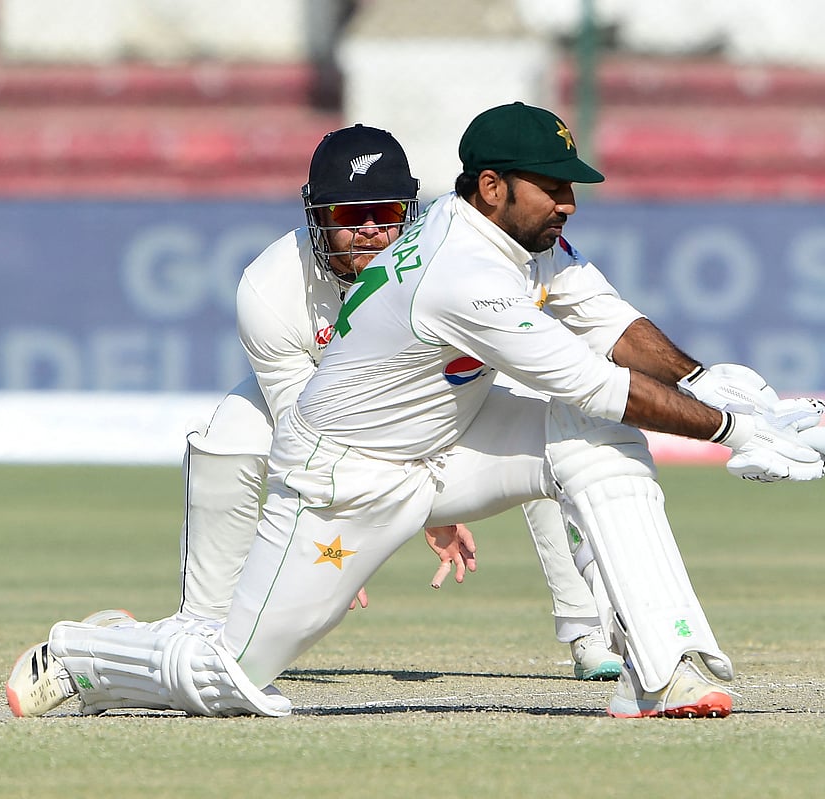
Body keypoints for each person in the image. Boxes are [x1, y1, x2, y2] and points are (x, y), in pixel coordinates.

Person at [6, 102, 825, 721]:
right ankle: (88, 650)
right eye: (553, 191)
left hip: (452, 438)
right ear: (494, 187)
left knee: (594, 441)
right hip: (348, 482)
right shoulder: (458, 272)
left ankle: (668, 665)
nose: (568, 205)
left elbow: (605, 320)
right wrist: (730, 430)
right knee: (230, 675)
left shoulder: (517, 240)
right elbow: (589, 377)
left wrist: (710, 378)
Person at [90, 124, 622, 680]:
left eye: (387, 212)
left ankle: (585, 630)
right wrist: (334, 531)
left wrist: (430, 507)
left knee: (553, 425)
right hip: (331, 425)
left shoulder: (451, 260)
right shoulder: (269, 287)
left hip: (443, 400)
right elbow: (303, 427)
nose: (371, 231)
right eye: (349, 216)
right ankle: (198, 622)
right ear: (317, 218)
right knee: (230, 432)